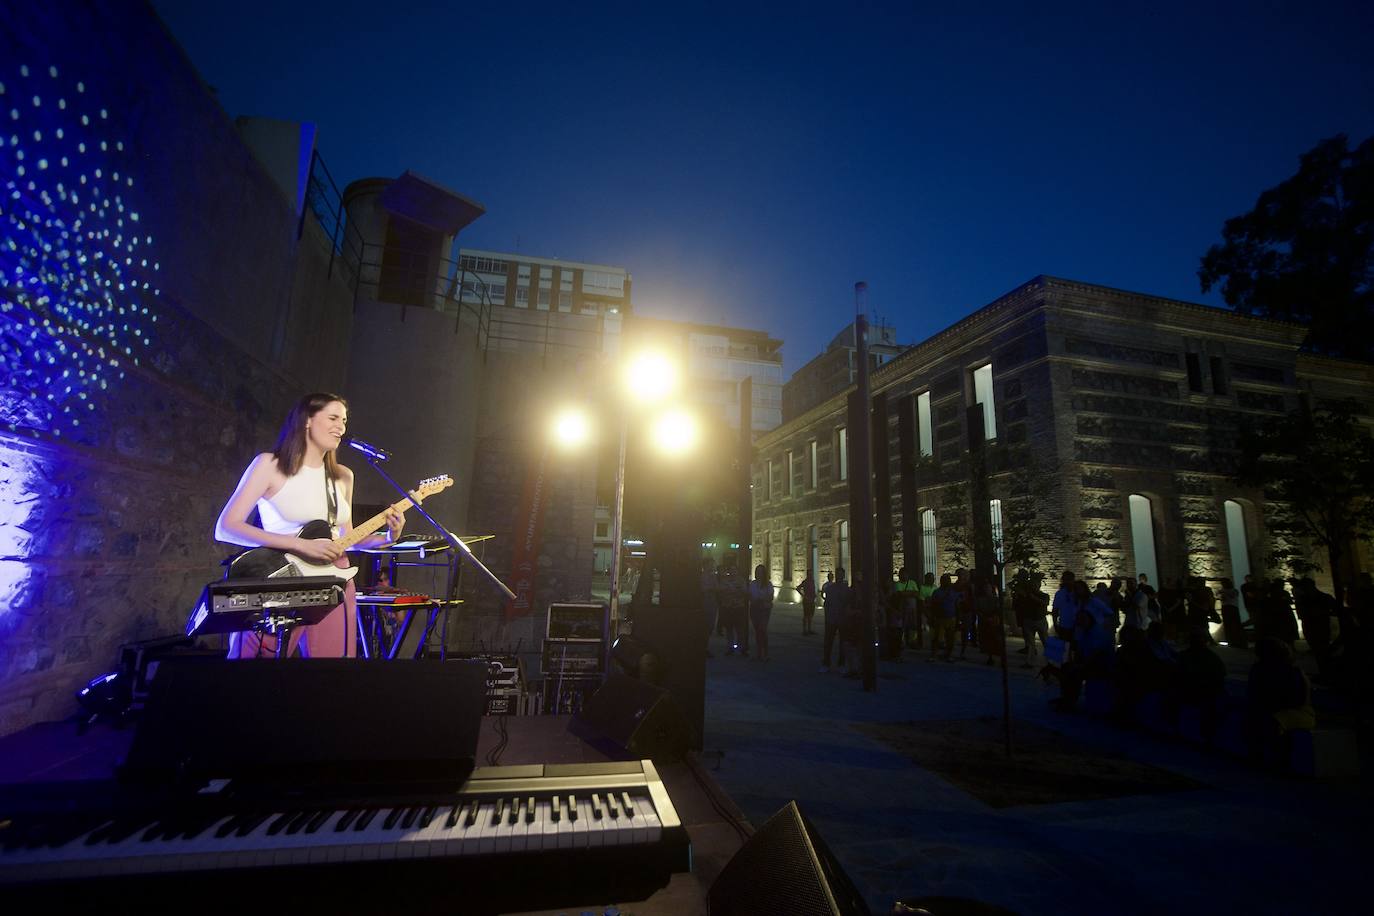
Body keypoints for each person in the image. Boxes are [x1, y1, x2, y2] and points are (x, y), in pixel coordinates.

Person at [215, 392, 403, 658]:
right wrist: (299, 544)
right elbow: (226, 526)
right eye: (333, 418)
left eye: (345, 421)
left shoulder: (343, 477)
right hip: (282, 578)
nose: (341, 427)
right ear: (307, 420)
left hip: (334, 581)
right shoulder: (269, 465)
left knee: (330, 676)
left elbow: (346, 536)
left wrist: (389, 536)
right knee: (256, 672)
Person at [820, 568, 851, 672]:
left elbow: (848, 604)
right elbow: (826, 603)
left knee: (842, 642)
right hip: (831, 619)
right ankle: (826, 663)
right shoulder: (830, 588)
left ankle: (841, 663)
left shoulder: (847, 590)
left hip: (842, 619)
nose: (839, 577)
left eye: (841, 575)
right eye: (838, 575)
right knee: (828, 642)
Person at [718, 560, 748, 656]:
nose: (733, 572)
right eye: (731, 570)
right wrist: (735, 591)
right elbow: (721, 591)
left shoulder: (741, 580)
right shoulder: (724, 581)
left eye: (734, 570)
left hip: (738, 607)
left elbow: (744, 592)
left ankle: (741, 647)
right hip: (728, 607)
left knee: (739, 629)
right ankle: (730, 647)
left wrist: (731, 591)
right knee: (729, 629)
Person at [930, 573, 961, 662]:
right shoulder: (936, 592)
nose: (946, 582)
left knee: (950, 638)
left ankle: (948, 655)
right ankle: (934, 655)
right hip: (939, 617)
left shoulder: (954, 592)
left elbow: (957, 605)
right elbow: (933, 605)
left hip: (951, 617)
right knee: (936, 638)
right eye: (944, 580)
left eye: (947, 580)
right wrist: (932, 617)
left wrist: (958, 619)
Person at [748, 564, 775, 662]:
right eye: (757, 571)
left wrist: (762, 599)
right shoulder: (753, 584)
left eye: (761, 572)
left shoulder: (768, 584)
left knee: (762, 630)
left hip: (764, 609)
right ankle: (759, 652)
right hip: (754, 609)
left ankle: (765, 653)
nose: (759, 573)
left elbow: (770, 597)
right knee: (757, 631)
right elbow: (750, 596)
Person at [1218, 577, 1247, 649]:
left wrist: (1224, 593)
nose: (1223, 584)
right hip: (1226, 608)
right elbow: (1222, 598)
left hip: (1232, 608)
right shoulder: (1222, 591)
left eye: (1224, 583)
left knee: (1235, 625)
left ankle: (1237, 641)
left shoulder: (1234, 590)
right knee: (1228, 625)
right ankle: (1231, 641)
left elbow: (1232, 596)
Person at [700, 558, 719, 656]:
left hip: (712, 603)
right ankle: (703, 647)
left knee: (710, 626)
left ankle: (705, 646)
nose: (712, 566)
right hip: (705, 603)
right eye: (711, 564)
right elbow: (703, 589)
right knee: (705, 626)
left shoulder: (713, 577)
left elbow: (716, 588)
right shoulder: (702, 577)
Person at [799, 568, 817, 635]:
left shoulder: (812, 581)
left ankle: (809, 629)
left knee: (810, 615)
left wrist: (814, 595)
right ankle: (804, 630)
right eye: (810, 574)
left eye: (811, 574)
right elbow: (798, 588)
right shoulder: (805, 581)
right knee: (806, 615)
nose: (811, 575)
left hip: (812, 600)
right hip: (807, 601)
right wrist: (804, 596)